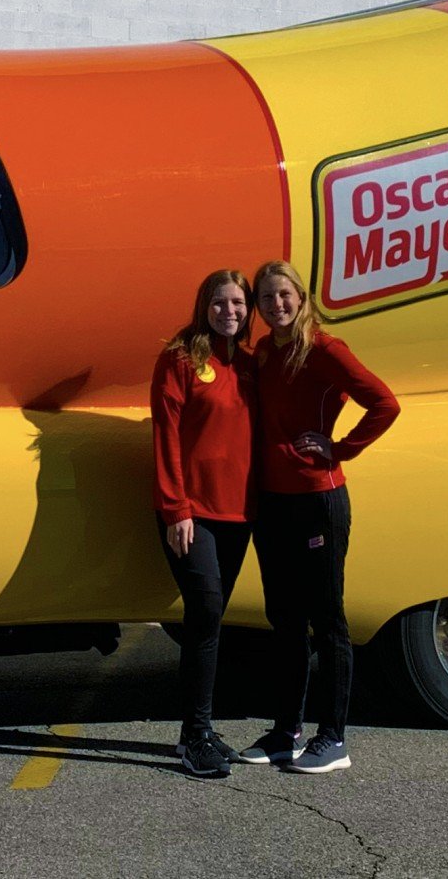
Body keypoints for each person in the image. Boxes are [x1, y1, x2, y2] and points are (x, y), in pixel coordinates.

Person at [237, 259, 400, 775]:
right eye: (266, 299)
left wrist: (341, 448)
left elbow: (384, 403)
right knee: (284, 621)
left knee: (327, 621)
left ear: (301, 298)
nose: (276, 305)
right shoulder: (263, 351)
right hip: (273, 502)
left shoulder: (325, 349)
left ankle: (333, 739)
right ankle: (286, 731)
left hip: (317, 501)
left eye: (284, 295)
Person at [150, 268, 258, 779]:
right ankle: (193, 737)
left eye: (238, 303)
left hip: (240, 513)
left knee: (213, 620)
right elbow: (166, 435)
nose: (229, 312)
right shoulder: (180, 358)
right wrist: (176, 509)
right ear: (204, 305)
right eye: (220, 303)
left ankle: (204, 727)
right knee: (205, 609)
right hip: (193, 515)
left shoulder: (253, 364)